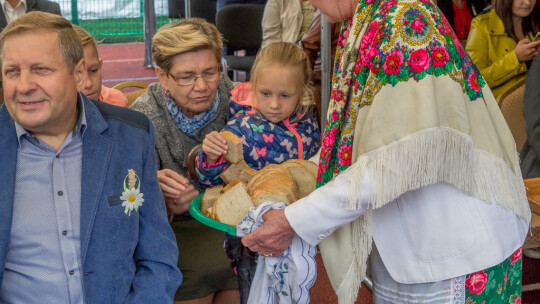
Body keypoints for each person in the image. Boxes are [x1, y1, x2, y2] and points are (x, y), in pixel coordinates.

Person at [242, 0, 531, 303]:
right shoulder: (372, 16)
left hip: (449, 251)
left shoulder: (403, 20)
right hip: (421, 244)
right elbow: (353, 139)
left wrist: (294, 220)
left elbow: (392, 165)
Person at [0, 11, 181, 303]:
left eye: (40, 69)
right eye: (12, 72)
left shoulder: (131, 136)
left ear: (79, 73)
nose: (23, 86)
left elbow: (157, 256)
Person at [195, 42, 320, 303]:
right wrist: (208, 157)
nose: (274, 104)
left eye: (285, 96)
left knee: (298, 286)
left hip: (297, 229)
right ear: (252, 88)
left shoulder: (309, 123)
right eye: (265, 93)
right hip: (249, 237)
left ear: (302, 91)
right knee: (254, 292)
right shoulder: (240, 127)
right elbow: (208, 181)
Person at [130, 18, 240, 304]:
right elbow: (127, 201)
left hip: (233, 219)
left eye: (210, 72)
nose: (202, 86)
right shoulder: (143, 117)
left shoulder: (239, 100)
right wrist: (158, 198)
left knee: (240, 273)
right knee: (199, 274)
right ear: (163, 76)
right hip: (173, 229)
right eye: (187, 76)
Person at [466, 0, 540, 101]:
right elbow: (472, 80)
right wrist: (515, 58)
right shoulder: (481, 25)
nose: (527, 3)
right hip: (504, 109)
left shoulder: (535, 22)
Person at [73, 25, 129, 107]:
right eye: (77, 74)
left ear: (100, 65)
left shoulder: (117, 102)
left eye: (93, 70)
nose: (88, 84)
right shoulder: (51, 116)